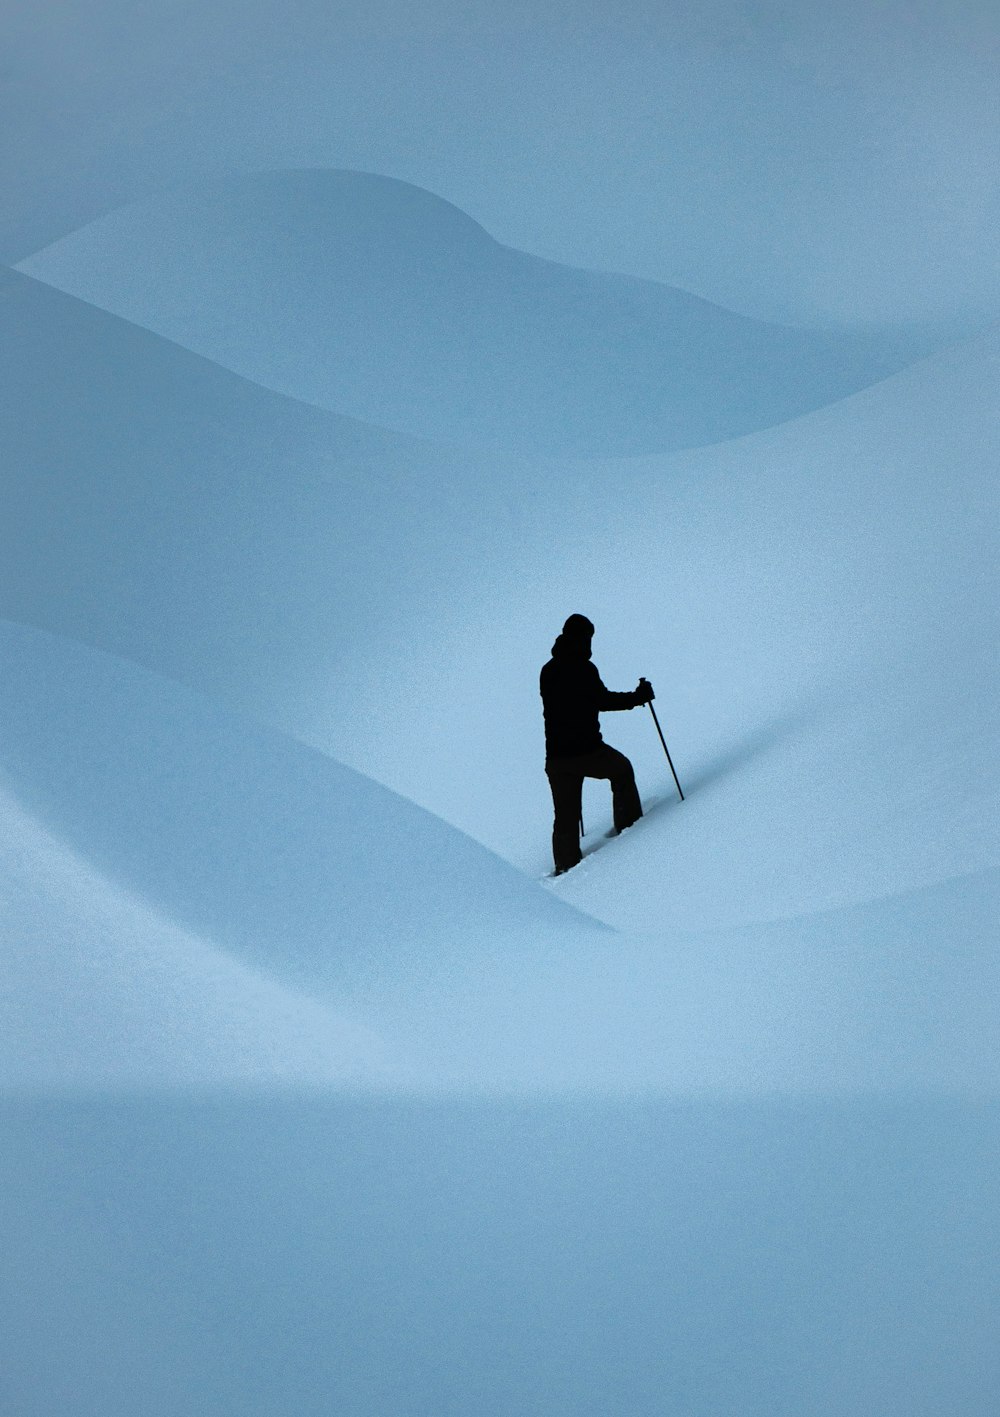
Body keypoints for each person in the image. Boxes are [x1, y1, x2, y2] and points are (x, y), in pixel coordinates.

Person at [540, 614, 653, 874]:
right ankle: (632, 830)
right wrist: (639, 697)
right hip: (587, 751)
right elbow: (602, 701)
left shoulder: (548, 670)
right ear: (582, 638)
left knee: (566, 816)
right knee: (622, 770)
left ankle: (565, 869)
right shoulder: (582, 668)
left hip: (557, 758)